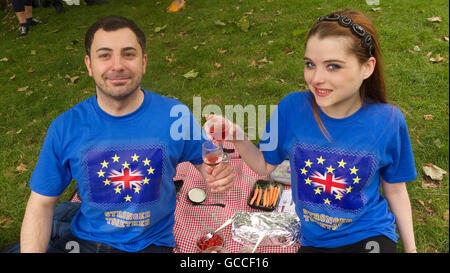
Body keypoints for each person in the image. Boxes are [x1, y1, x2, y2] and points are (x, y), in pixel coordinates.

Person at [206, 9, 417, 253]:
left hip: (368, 232)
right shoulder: (291, 109)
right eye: (310, 64)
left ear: (367, 68)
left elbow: (396, 190)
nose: (316, 78)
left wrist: (411, 250)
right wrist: (237, 136)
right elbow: (265, 167)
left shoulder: (389, 121)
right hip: (314, 240)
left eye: (333, 66)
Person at [20, 15, 234, 253]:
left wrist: (217, 172)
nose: (117, 65)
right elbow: (40, 203)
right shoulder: (65, 127)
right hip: (85, 241)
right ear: (89, 65)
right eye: (104, 55)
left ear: (143, 62)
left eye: (128, 54)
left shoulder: (175, 115)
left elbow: (207, 163)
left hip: (149, 244)